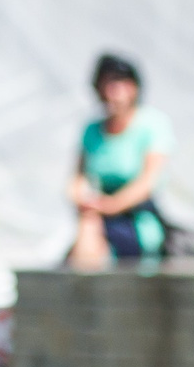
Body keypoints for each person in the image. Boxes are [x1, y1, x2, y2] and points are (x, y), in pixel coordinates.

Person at [68, 54, 172, 269]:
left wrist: (110, 206)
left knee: (89, 240)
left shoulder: (151, 124)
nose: (112, 93)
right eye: (106, 84)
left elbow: (148, 182)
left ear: (134, 88)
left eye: (119, 84)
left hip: (136, 219)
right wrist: (84, 199)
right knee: (87, 230)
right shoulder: (92, 130)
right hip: (98, 220)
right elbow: (78, 177)